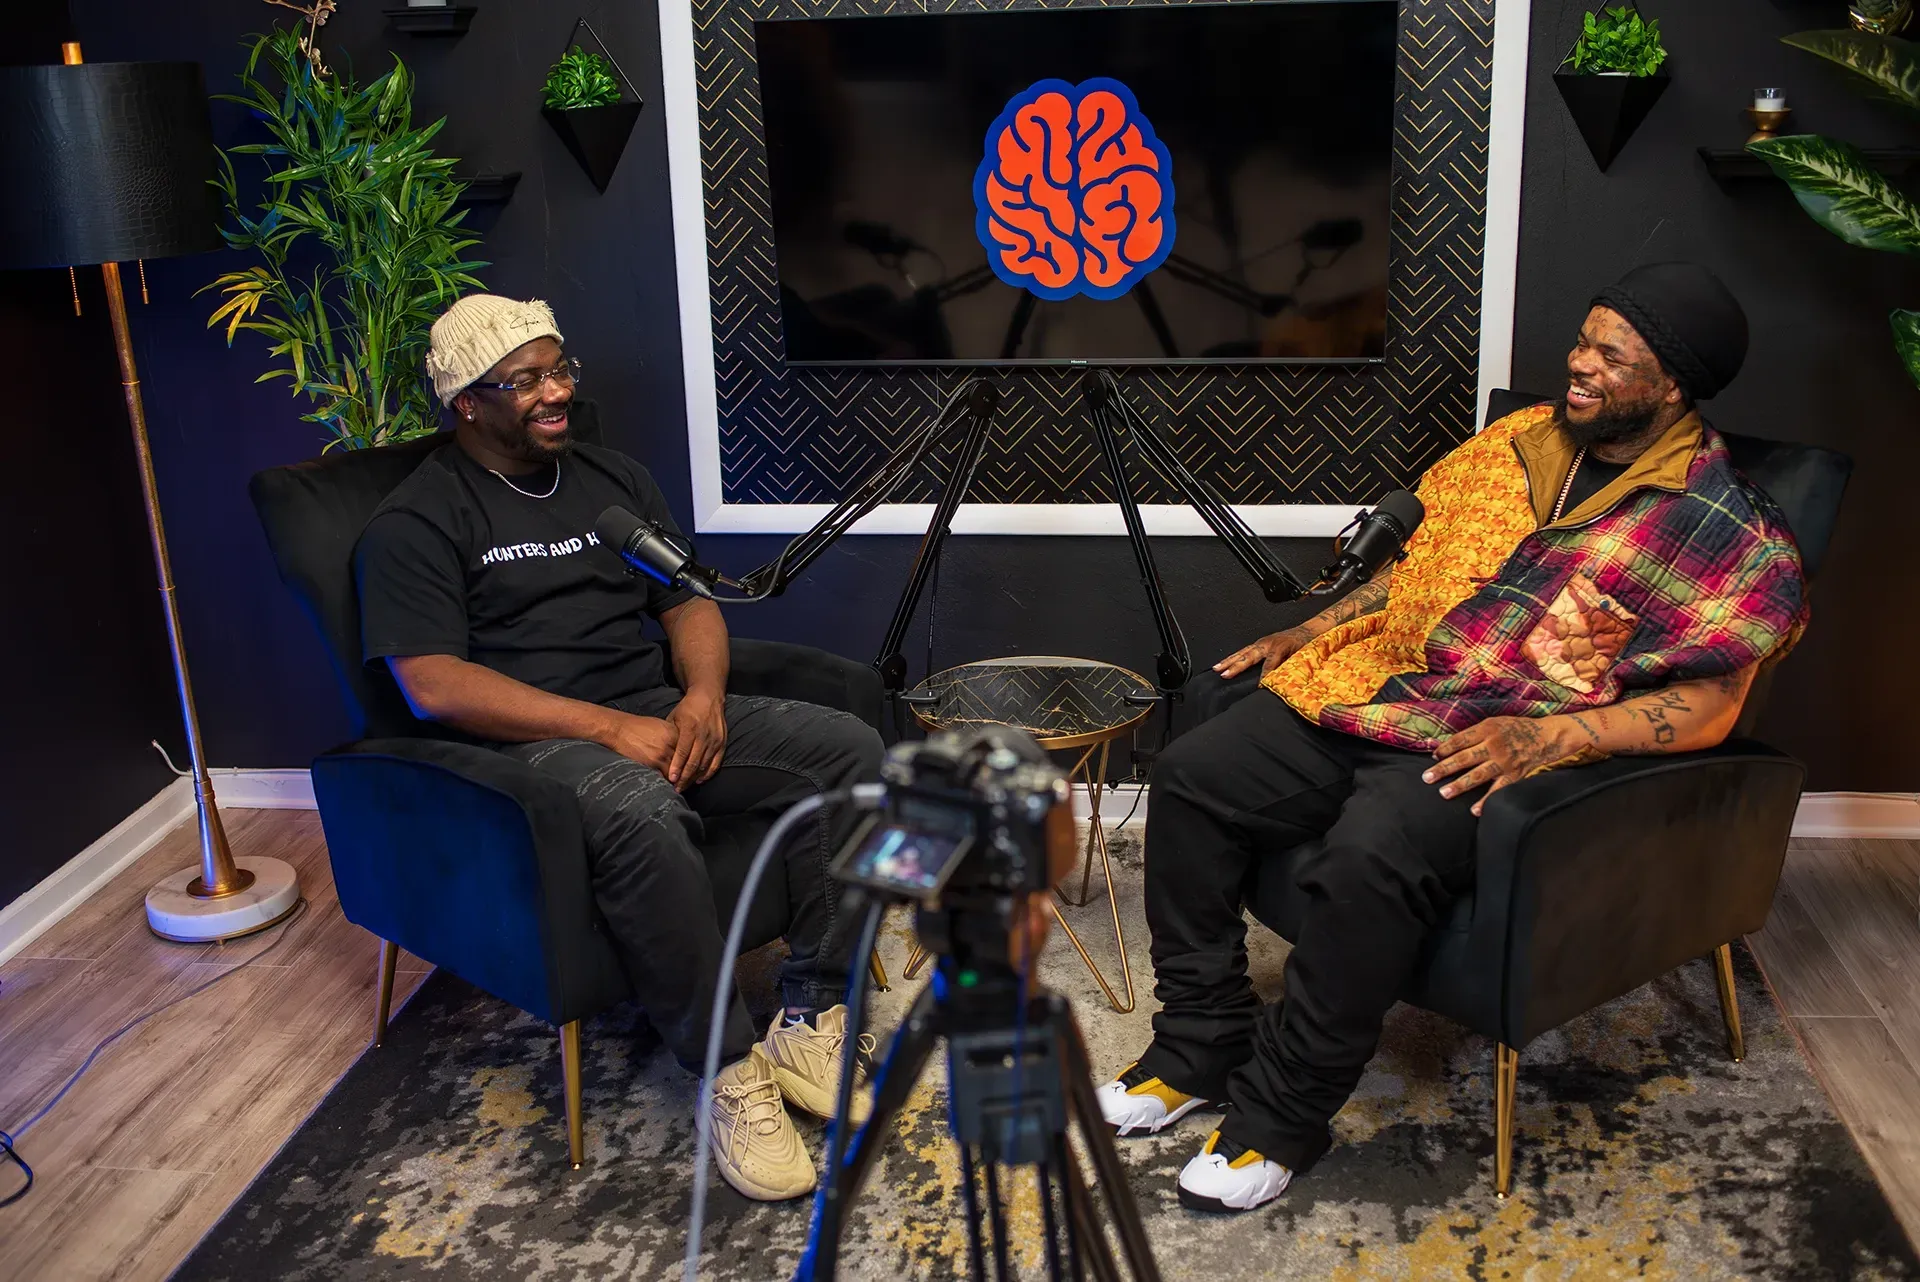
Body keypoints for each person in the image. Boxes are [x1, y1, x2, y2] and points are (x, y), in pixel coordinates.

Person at [1095, 263, 1808, 1213]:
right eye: (1582, 339)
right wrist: (1308, 633)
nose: (1578, 364)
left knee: (1366, 855)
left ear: (1672, 385)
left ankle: (1281, 1115)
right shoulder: (1519, 439)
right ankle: (1199, 1043)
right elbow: (1427, 566)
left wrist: (1551, 741)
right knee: (1192, 778)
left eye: (1610, 355)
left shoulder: (1725, 526)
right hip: (1389, 691)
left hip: (1499, 739)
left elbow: (1714, 706)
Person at [353, 295, 885, 1203]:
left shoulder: (613, 480)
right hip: (533, 749)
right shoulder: (419, 522)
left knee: (850, 748)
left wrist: (705, 699)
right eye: (526, 382)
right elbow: (431, 684)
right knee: (641, 810)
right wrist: (604, 728)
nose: (555, 392)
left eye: (560, 370)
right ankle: (726, 1070)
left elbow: (686, 601)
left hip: (653, 708)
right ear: (467, 403)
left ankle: (814, 1012)